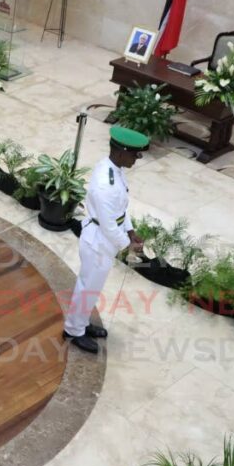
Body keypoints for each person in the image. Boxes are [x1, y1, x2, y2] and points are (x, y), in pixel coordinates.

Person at [64, 126, 149, 353]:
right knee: (87, 287)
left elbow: (120, 209)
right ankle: (74, 330)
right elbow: (109, 225)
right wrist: (128, 245)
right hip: (98, 241)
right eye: (134, 154)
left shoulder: (113, 168)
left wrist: (131, 232)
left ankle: (81, 323)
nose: (136, 159)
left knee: (93, 286)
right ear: (121, 152)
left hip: (104, 238)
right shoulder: (106, 184)